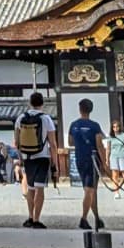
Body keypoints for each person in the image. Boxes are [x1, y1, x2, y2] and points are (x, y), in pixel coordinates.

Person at [11, 91, 57, 229]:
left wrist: (20, 157)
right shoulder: (46, 119)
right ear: (42, 103)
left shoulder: (20, 118)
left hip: (27, 157)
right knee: (40, 188)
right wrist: (54, 163)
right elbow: (53, 143)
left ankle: (30, 217)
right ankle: (37, 219)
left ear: (30, 103)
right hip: (42, 156)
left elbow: (16, 142)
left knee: (30, 188)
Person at [67, 98, 107, 232]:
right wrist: (105, 163)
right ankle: (83, 218)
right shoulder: (94, 126)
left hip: (79, 158)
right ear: (91, 110)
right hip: (92, 158)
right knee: (90, 190)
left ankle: (97, 218)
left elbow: (70, 142)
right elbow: (99, 145)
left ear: (80, 109)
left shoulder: (73, 125)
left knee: (90, 190)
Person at [106, 119, 124, 196]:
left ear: (120, 127)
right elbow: (108, 148)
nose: (115, 128)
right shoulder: (110, 137)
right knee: (115, 175)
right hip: (113, 156)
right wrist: (107, 159)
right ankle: (116, 192)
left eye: (117, 126)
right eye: (114, 127)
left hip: (123, 155)